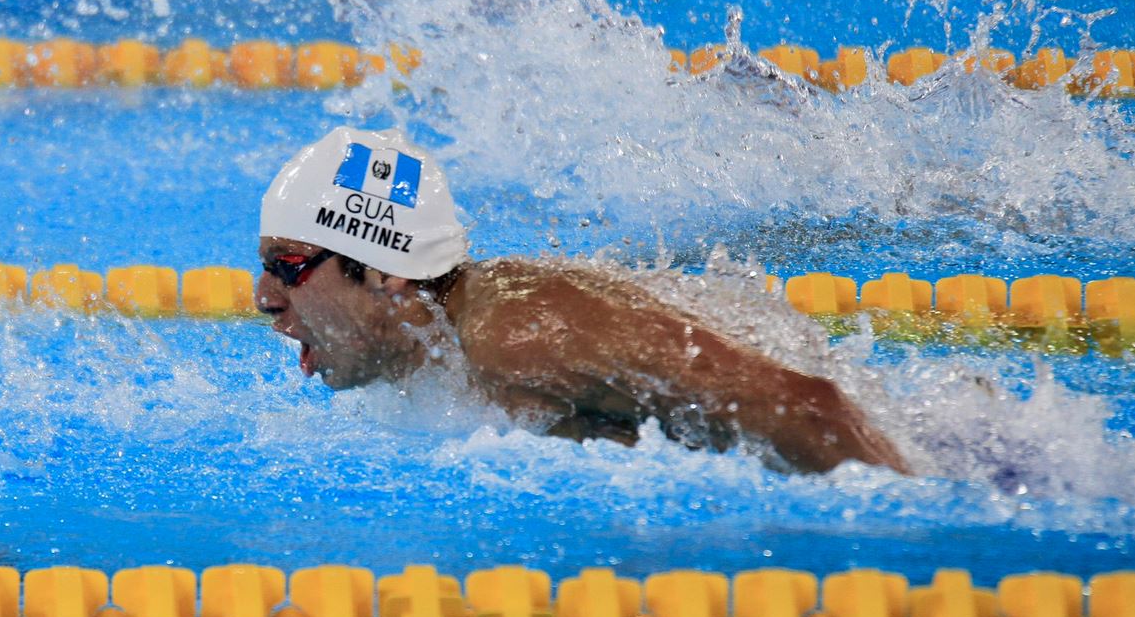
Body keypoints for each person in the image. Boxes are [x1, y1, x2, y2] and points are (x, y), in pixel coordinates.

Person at [256, 127, 911, 475]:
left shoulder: (519, 335)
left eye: (287, 267)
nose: (264, 299)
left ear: (384, 271)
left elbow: (804, 407)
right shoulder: (455, 346)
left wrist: (914, 534)